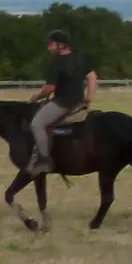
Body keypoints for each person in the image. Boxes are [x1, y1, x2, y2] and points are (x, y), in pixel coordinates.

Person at [28, 28, 95, 175]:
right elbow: (92, 76)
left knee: (37, 124)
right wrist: (89, 97)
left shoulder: (57, 63)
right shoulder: (79, 60)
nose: (48, 47)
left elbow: (49, 88)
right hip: (78, 103)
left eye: (51, 44)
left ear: (59, 45)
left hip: (62, 104)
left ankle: (45, 160)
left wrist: (37, 96)